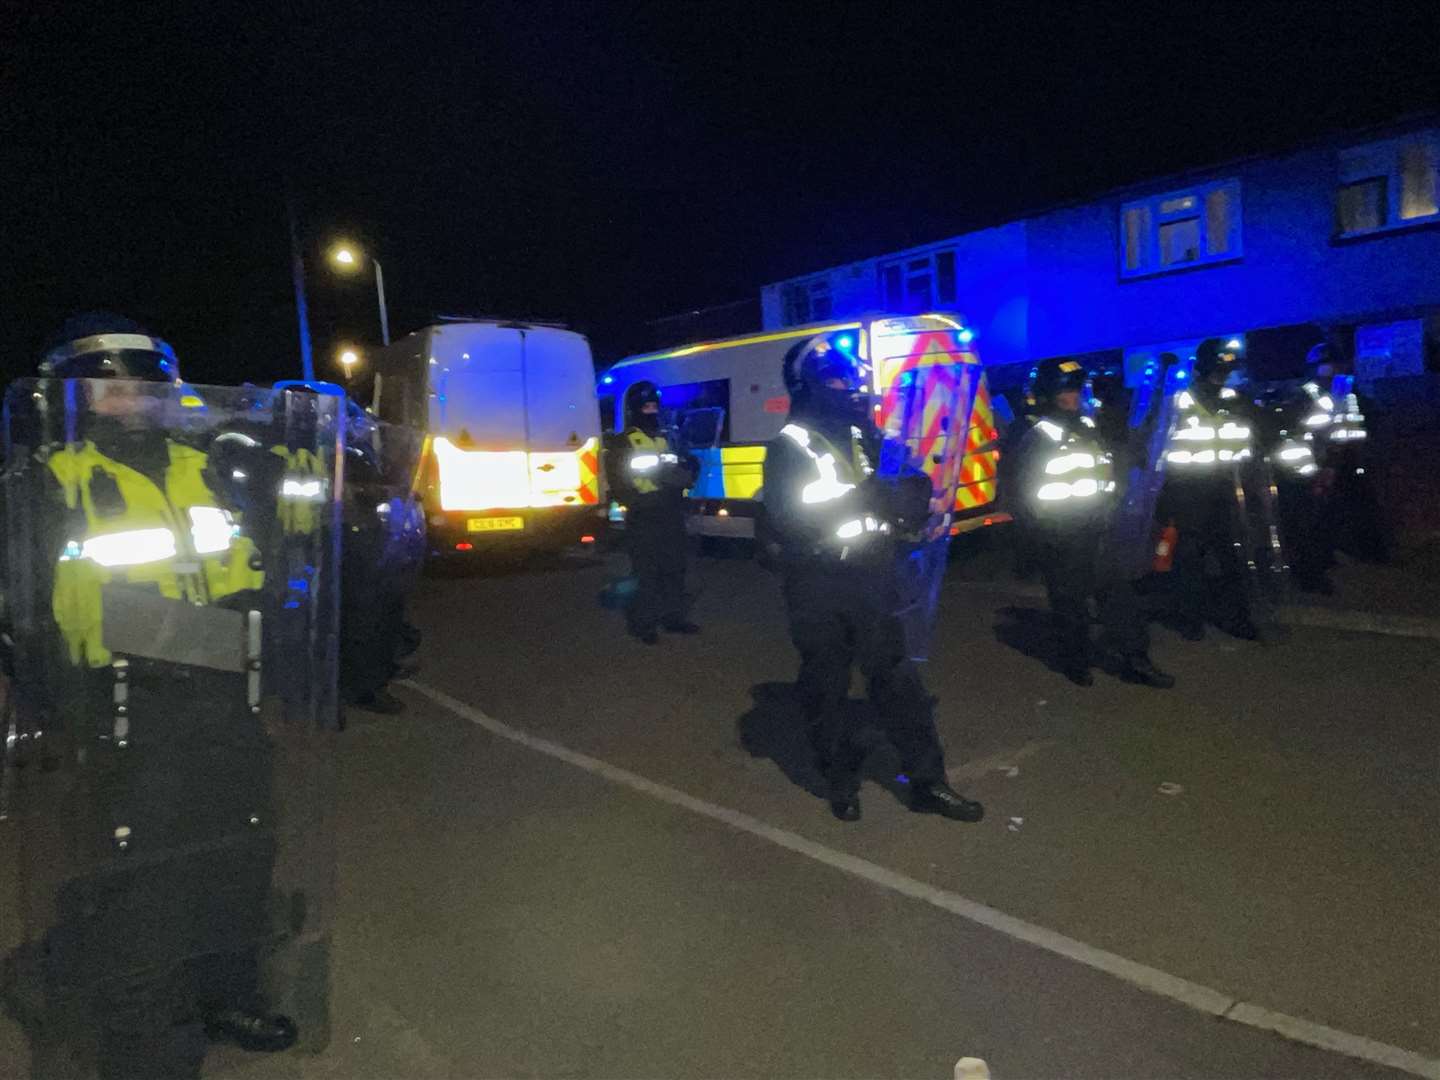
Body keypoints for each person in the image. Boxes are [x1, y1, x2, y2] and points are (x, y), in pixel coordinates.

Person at [5, 316, 309, 1077]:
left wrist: (294, 467)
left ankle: (224, 994)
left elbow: (273, 559)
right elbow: (22, 606)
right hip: (120, 705)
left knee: (241, 852)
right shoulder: (47, 478)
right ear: (70, 396)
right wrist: (52, 708)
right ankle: (147, 1046)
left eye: (145, 380)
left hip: (222, 694)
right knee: (146, 885)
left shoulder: (208, 467)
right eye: (110, 382)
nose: (131, 395)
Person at [760, 336, 984, 824]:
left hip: (873, 576)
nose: (849, 390)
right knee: (827, 685)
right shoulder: (788, 446)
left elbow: (914, 480)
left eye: (851, 381)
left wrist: (914, 498)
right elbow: (788, 516)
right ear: (809, 387)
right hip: (818, 582)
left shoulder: (868, 435)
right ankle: (840, 781)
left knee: (900, 682)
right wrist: (866, 496)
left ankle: (928, 782)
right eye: (837, 382)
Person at [1013, 357, 1174, 688]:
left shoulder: (1089, 427)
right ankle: (1076, 659)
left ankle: (1135, 659)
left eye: (1076, 389)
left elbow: (1110, 466)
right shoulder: (1037, 437)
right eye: (1067, 391)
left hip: (1097, 528)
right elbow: (1022, 495)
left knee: (1118, 596)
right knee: (1069, 603)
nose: (1075, 396)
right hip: (1060, 535)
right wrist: (1044, 535)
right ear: (1048, 395)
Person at [1153, 338, 1261, 641]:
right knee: (1189, 558)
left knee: (1232, 557)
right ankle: (1189, 618)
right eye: (1218, 368)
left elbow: (1249, 442)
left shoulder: (1233, 399)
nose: (1223, 374)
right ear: (1203, 368)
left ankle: (1237, 618)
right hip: (1187, 490)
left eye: (1227, 369)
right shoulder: (1178, 400)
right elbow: (1156, 444)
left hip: (1225, 489)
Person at [605, 380, 699, 644]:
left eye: (654, 405)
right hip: (644, 515)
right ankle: (642, 624)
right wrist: (639, 502)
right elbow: (619, 481)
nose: (651, 410)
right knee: (645, 573)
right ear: (635, 408)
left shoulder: (668, 437)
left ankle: (673, 618)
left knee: (674, 569)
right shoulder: (624, 441)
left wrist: (688, 471)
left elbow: (687, 464)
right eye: (645, 406)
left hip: (671, 511)